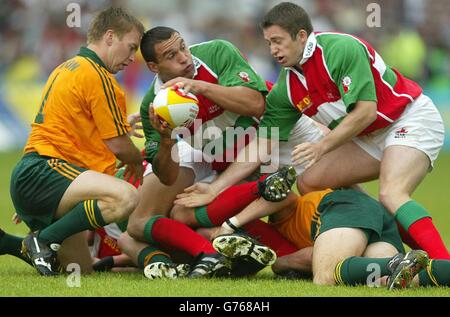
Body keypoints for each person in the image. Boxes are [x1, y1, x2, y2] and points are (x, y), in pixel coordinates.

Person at [177, 2, 449, 261]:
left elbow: (365, 111)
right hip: (369, 136)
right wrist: (215, 190)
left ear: (301, 35)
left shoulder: (341, 48)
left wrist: (322, 146)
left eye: (278, 41)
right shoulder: (287, 87)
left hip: (408, 119)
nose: (272, 49)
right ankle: (392, 245)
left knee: (391, 193)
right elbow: (262, 144)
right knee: (310, 182)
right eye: (269, 42)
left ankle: (442, 263)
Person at [122, 26, 317, 278]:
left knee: (321, 188)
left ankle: (350, 246)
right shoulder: (154, 105)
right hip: (228, 158)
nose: (184, 57)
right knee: (173, 215)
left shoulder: (216, 53)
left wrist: (200, 87)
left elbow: (255, 103)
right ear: (153, 67)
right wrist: (166, 139)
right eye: (171, 56)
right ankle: (251, 250)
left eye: (183, 47)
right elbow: (167, 178)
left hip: (279, 133)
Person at [8, 7, 145, 276]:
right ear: (109, 36)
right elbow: (118, 145)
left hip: (39, 175)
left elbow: (73, 130)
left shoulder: (68, 68)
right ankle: (44, 238)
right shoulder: (99, 75)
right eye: (131, 48)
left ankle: (8, 242)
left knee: (78, 271)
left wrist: (38, 198)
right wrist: (136, 162)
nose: (132, 58)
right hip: (45, 172)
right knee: (126, 196)